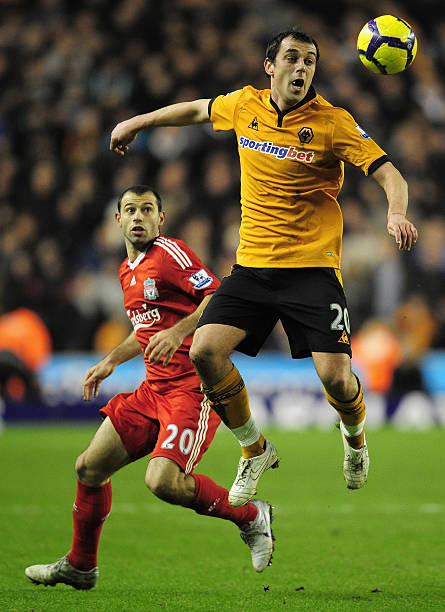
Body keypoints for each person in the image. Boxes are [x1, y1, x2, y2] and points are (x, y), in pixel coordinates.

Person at [109, 30, 418, 506]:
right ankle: (254, 449)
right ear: (270, 66)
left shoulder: (333, 122)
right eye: (292, 58)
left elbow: (389, 173)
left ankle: (355, 438)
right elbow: (196, 110)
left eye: (310, 61)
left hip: (312, 269)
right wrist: (138, 122)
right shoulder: (244, 105)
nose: (302, 68)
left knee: (337, 379)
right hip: (253, 266)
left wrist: (395, 212)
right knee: (205, 352)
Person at [25, 185, 275, 591]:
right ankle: (81, 566)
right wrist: (111, 360)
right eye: (130, 210)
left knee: (162, 482)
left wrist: (179, 332)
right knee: (88, 468)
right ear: (118, 220)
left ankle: (252, 517)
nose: (138, 216)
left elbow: (218, 296)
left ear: (161, 218)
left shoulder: (171, 254)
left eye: (146, 209)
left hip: (191, 390)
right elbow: (145, 330)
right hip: (152, 391)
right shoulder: (127, 270)